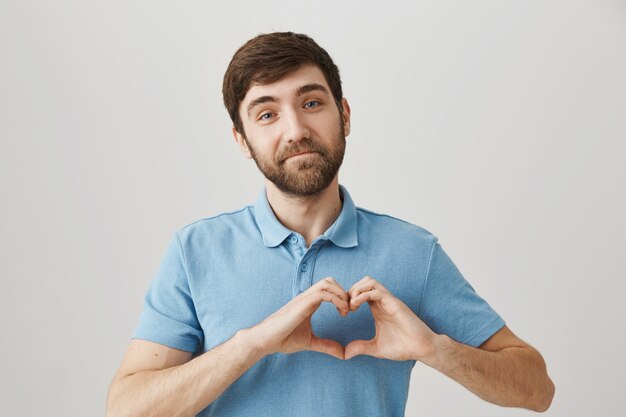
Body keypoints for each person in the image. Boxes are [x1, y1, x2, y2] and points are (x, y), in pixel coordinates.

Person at [106, 32, 554, 417]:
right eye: (267, 114)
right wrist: (250, 345)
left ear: (345, 115)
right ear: (242, 140)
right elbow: (127, 408)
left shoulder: (414, 251)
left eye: (312, 102)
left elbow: (537, 389)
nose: (296, 128)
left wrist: (436, 350)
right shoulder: (195, 250)